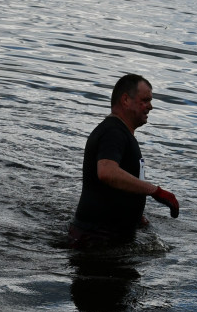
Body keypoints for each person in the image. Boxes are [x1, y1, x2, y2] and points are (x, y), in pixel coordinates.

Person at [69, 74, 179, 247]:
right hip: (96, 240)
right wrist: (155, 191)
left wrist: (135, 216)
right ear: (126, 100)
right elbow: (107, 172)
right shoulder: (114, 132)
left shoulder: (120, 133)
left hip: (105, 237)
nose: (150, 107)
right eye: (145, 100)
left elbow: (114, 186)